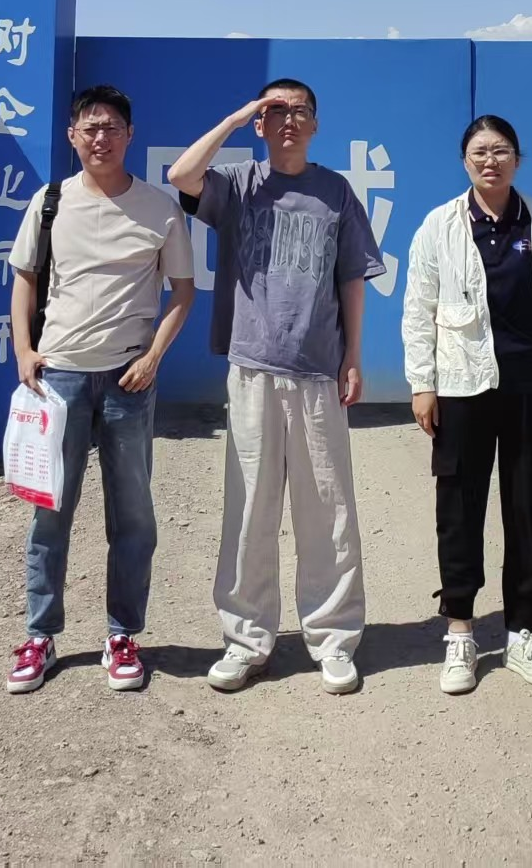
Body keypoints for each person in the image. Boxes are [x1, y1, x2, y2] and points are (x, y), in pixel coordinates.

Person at [169, 79, 384, 696]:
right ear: (261, 124)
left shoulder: (335, 191)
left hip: (318, 370)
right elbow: (182, 175)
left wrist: (353, 355)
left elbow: (351, 277)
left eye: (300, 111)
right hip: (252, 367)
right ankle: (246, 639)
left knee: (328, 512)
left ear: (316, 125)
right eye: (275, 111)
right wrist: (238, 116)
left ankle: (334, 639)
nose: (289, 119)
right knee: (249, 510)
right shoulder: (238, 185)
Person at [4, 85, 196, 695]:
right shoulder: (50, 201)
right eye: (89, 127)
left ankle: (122, 634)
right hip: (58, 377)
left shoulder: (159, 208)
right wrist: (24, 350)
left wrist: (154, 356)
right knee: (50, 513)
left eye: (112, 127)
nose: (100, 138)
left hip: (127, 380)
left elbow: (183, 293)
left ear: (130, 135)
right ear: (72, 136)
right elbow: (25, 278)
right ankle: (39, 635)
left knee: (132, 513)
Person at [402, 113, 532, 695]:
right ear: (465, 161)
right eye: (480, 151)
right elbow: (419, 308)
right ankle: (460, 629)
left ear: (517, 159)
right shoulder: (439, 226)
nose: (492, 161)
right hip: (462, 387)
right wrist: (422, 383)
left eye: (502, 150)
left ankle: (522, 632)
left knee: (528, 510)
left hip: (530, 389)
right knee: (459, 507)